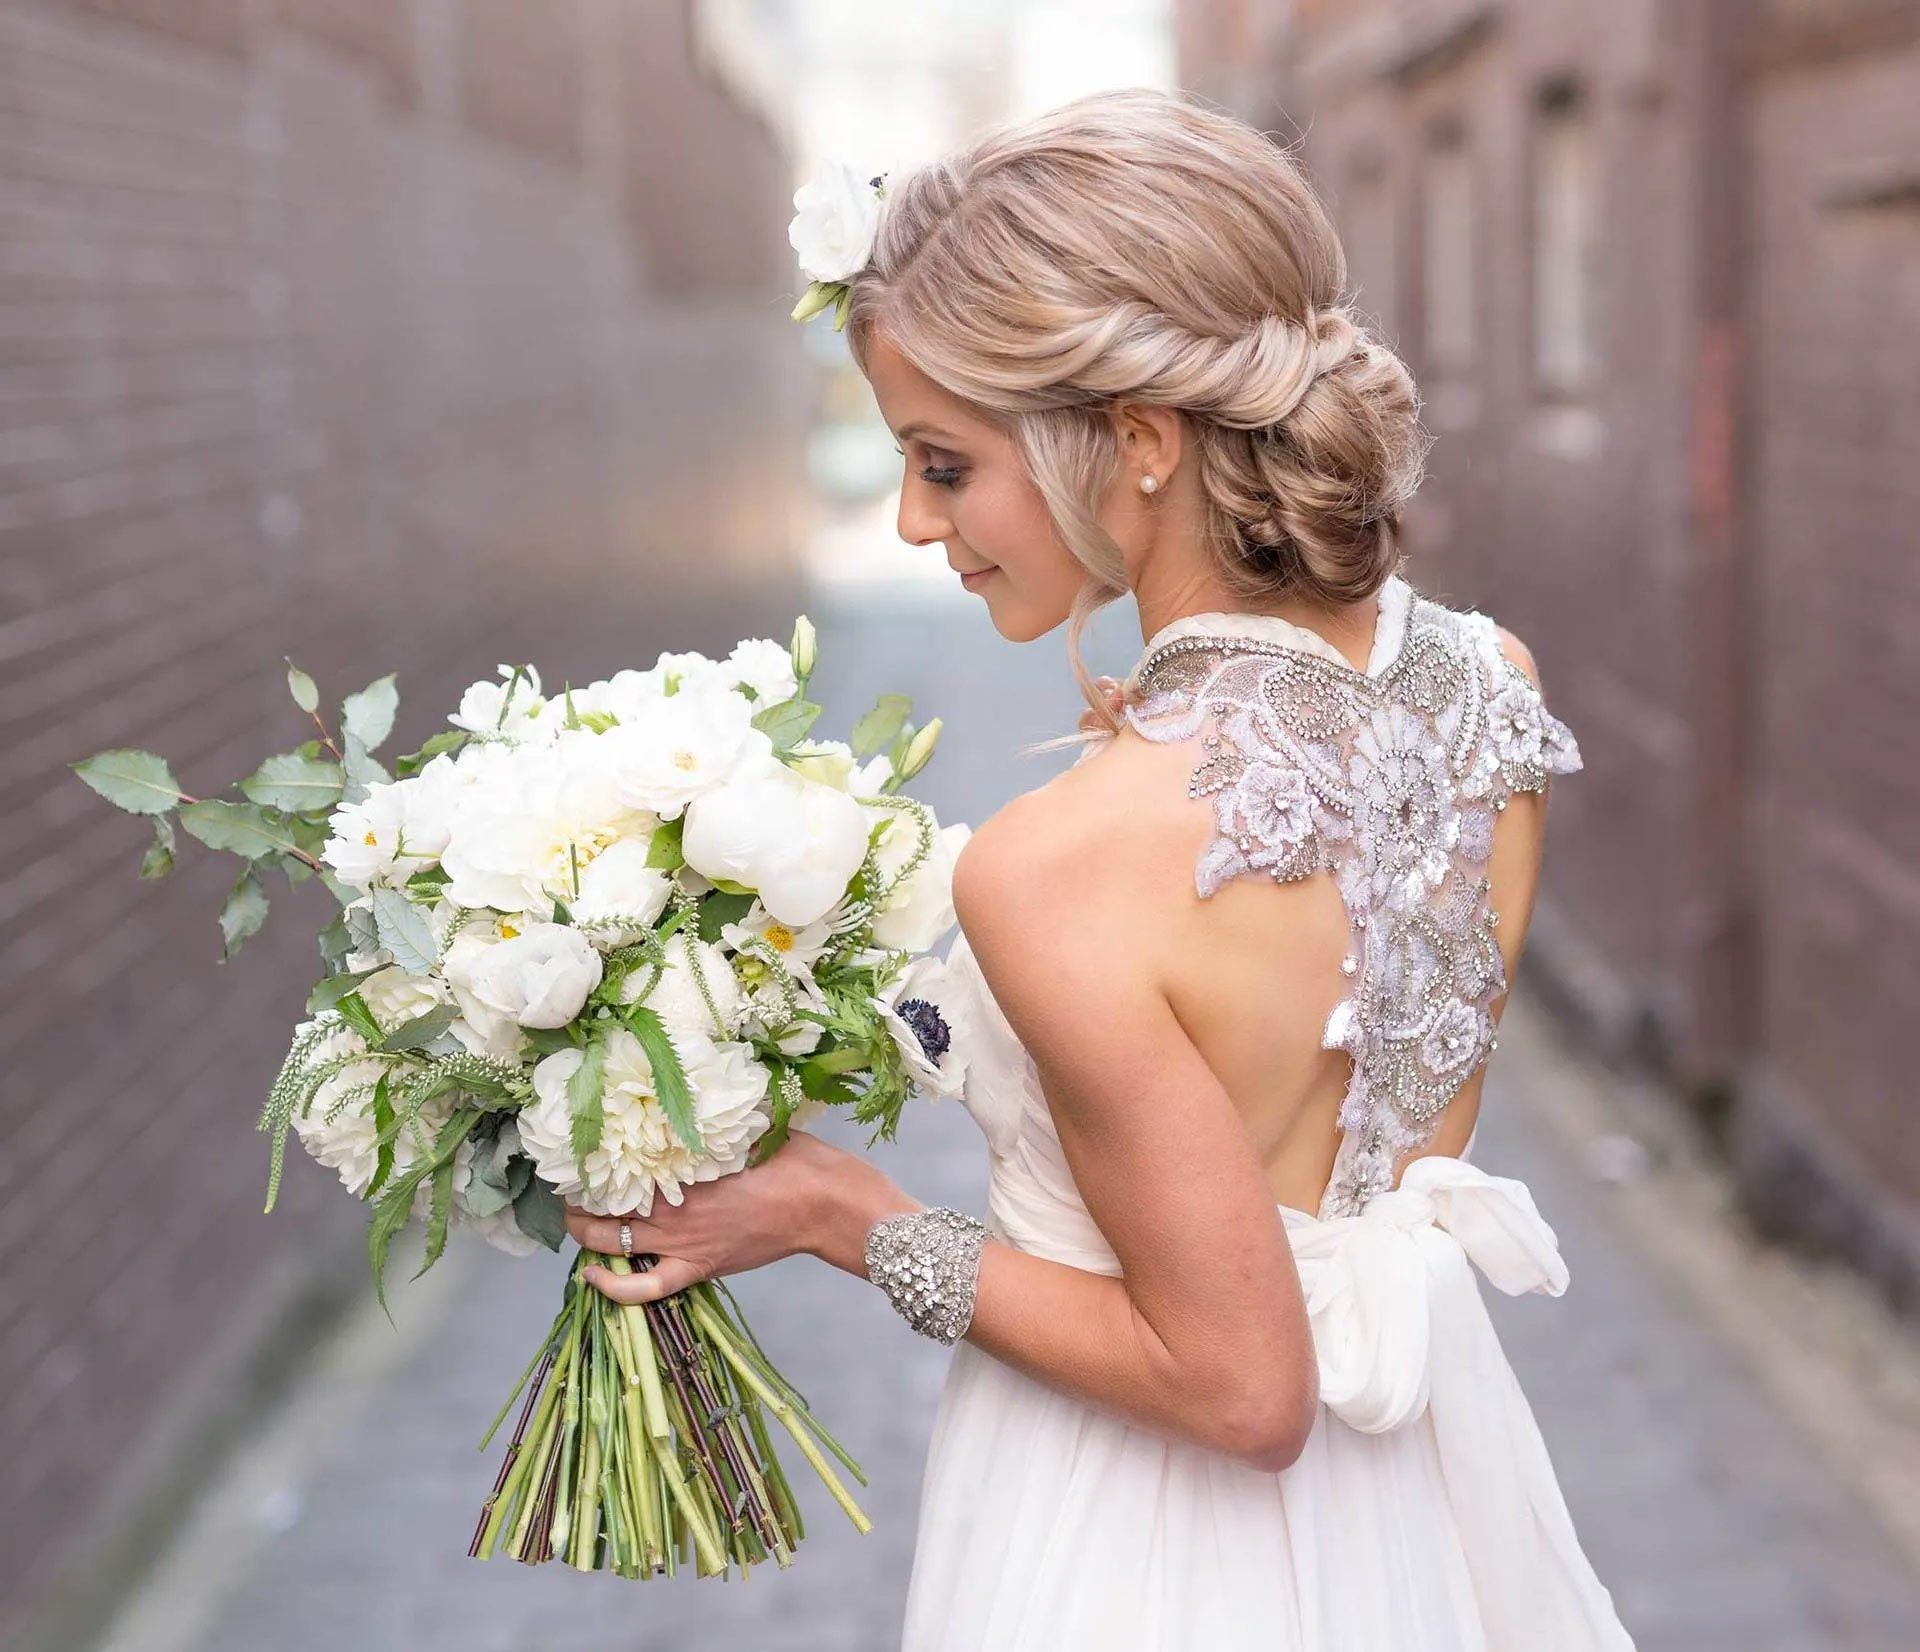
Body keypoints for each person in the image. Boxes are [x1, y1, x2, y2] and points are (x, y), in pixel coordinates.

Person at [564, 86, 1638, 1650]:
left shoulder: (1059, 865)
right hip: (1413, 1511)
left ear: (1136, 442)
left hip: (1135, 1553)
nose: (926, 523)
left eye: (945, 464)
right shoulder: (1486, 689)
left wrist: (835, 1213)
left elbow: (1240, 1386)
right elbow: (1368, 1176)